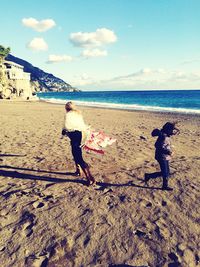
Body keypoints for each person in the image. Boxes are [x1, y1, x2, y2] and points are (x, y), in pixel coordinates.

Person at [62, 102, 95, 186]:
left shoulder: (68, 114)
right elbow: (81, 125)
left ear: (67, 108)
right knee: (76, 152)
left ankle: (90, 178)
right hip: (80, 135)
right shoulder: (78, 114)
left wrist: (64, 132)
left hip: (74, 135)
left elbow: (67, 126)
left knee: (78, 156)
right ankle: (78, 170)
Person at [145, 122, 179, 191]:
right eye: (172, 130)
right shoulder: (163, 136)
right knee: (165, 173)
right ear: (168, 130)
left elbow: (164, 145)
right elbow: (158, 146)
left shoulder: (165, 135)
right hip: (161, 157)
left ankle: (148, 176)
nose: (173, 131)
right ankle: (164, 186)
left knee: (166, 172)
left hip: (165, 156)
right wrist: (169, 152)